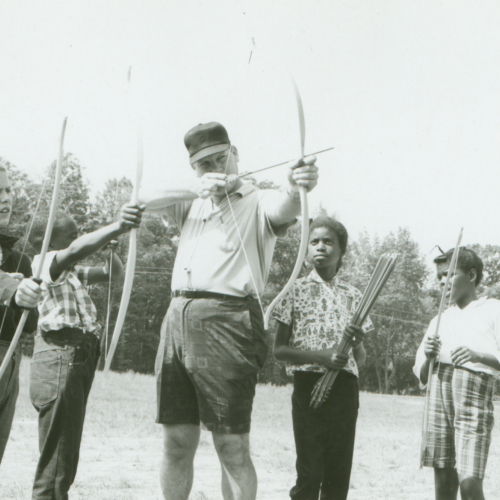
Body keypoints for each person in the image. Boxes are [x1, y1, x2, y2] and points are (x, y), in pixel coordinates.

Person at [139, 122, 318, 500]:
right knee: (176, 439)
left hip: (229, 317)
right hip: (177, 316)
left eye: (221, 158)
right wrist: (196, 187)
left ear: (235, 152)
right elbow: (140, 199)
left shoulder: (257, 200)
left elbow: (285, 206)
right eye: (204, 164)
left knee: (230, 444)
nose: (216, 168)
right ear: (194, 169)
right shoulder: (192, 199)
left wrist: (295, 183)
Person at [28, 203, 143, 500]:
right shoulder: (44, 261)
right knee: (57, 460)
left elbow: (112, 273)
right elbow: (77, 250)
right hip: (60, 352)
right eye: (71, 235)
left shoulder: (72, 271)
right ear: (50, 241)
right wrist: (115, 227)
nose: (76, 239)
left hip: (75, 355)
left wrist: (110, 250)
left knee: (63, 456)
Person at [272, 216, 373, 500]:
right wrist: (321, 358)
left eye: (329, 242)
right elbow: (279, 351)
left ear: (342, 250)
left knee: (338, 471)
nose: (320, 247)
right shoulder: (293, 290)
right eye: (314, 242)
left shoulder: (355, 296)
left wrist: (358, 342)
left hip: (345, 388)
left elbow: (360, 359)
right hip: (308, 385)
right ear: (306, 250)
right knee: (310, 471)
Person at [413, 247, 500, 500]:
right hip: (439, 397)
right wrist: (429, 357)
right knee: (443, 480)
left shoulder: (492, 309)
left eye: (449, 274)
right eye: (439, 276)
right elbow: (423, 375)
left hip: (473, 400)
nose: (442, 282)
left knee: (469, 483)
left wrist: (478, 356)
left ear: (471, 275)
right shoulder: (439, 319)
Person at [0, 162, 42, 464]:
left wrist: (32, 297)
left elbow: (29, 327)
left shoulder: (19, 259)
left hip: (10, 359)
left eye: (8, 189)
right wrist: (11, 290)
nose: (5, 199)